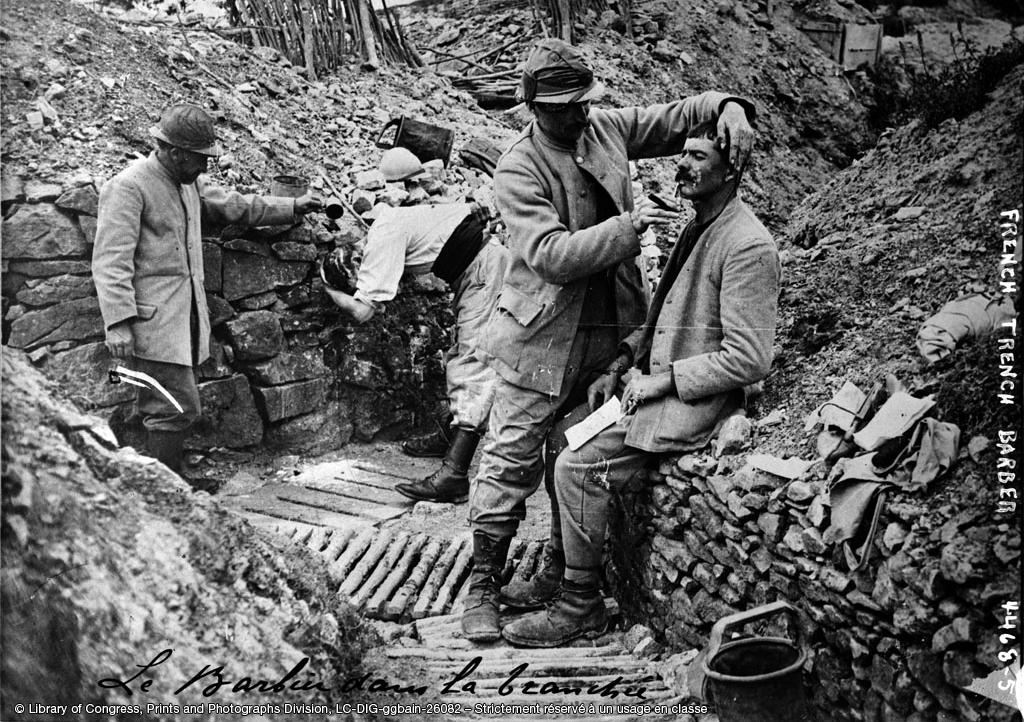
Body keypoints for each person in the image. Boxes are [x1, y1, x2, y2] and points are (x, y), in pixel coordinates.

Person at [460, 37, 757, 642]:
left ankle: (559, 568)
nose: (581, 114)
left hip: (611, 334)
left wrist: (728, 105)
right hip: (541, 339)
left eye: (585, 101)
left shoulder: (606, 129)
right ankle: (483, 583)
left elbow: (679, 117)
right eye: (566, 107)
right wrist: (629, 227)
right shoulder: (518, 167)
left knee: (571, 448)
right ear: (535, 109)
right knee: (511, 457)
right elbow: (550, 255)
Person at [500, 119, 781, 648]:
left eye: (699, 157)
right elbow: (661, 320)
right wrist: (620, 364)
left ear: (731, 171)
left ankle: (580, 604)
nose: (683, 165)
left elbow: (750, 359)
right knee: (561, 436)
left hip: (693, 403)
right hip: (653, 385)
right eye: (684, 153)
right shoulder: (700, 226)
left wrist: (663, 382)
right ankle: (562, 566)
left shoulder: (748, 245)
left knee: (579, 466)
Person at [93, 104, 321, 478]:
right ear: (174, 152)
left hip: (183, 320)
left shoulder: (188, 184)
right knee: (174, 407)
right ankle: (166, 491)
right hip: (151, 326)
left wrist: (292, 206)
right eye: (200, 158)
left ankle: (167, 480)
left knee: (170, 406)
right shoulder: (128, 187)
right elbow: (110, 262)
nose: (205, 166)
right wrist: (118, 323)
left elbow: (234, 205)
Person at [320, 151, 508, 503]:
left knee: (473, 362)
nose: (360, 280)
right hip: (477, 266)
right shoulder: (387, 225)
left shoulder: (381, 241)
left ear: (356, 261)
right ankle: (448, 437)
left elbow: (363, 312)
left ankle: (454, 475)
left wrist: (332, 293)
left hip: (483, 267)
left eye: (355, 279)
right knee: (460, 352)